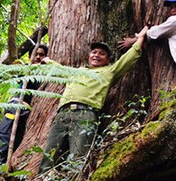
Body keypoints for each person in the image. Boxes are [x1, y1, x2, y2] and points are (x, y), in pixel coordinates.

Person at [38, 30, 147, 173]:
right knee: (49, 154)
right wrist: (46, 60)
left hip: (85, 114)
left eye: (101, 54)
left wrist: (141, 37)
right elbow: (59, 69)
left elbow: (130, 56)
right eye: (94, 52)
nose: (96, 55)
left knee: (78, 157)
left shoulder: (110, 71)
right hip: (62, 115)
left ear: (108, 60)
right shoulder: (77, 71)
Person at [0, 44, 48, 166]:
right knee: (4, 133)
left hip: (29, 113)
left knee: (18, 139)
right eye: (35, 54)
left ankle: (6, 164)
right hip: (16, 106)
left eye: (41, 55)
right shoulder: (26, 71)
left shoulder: (46, 74)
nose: (37, 57)